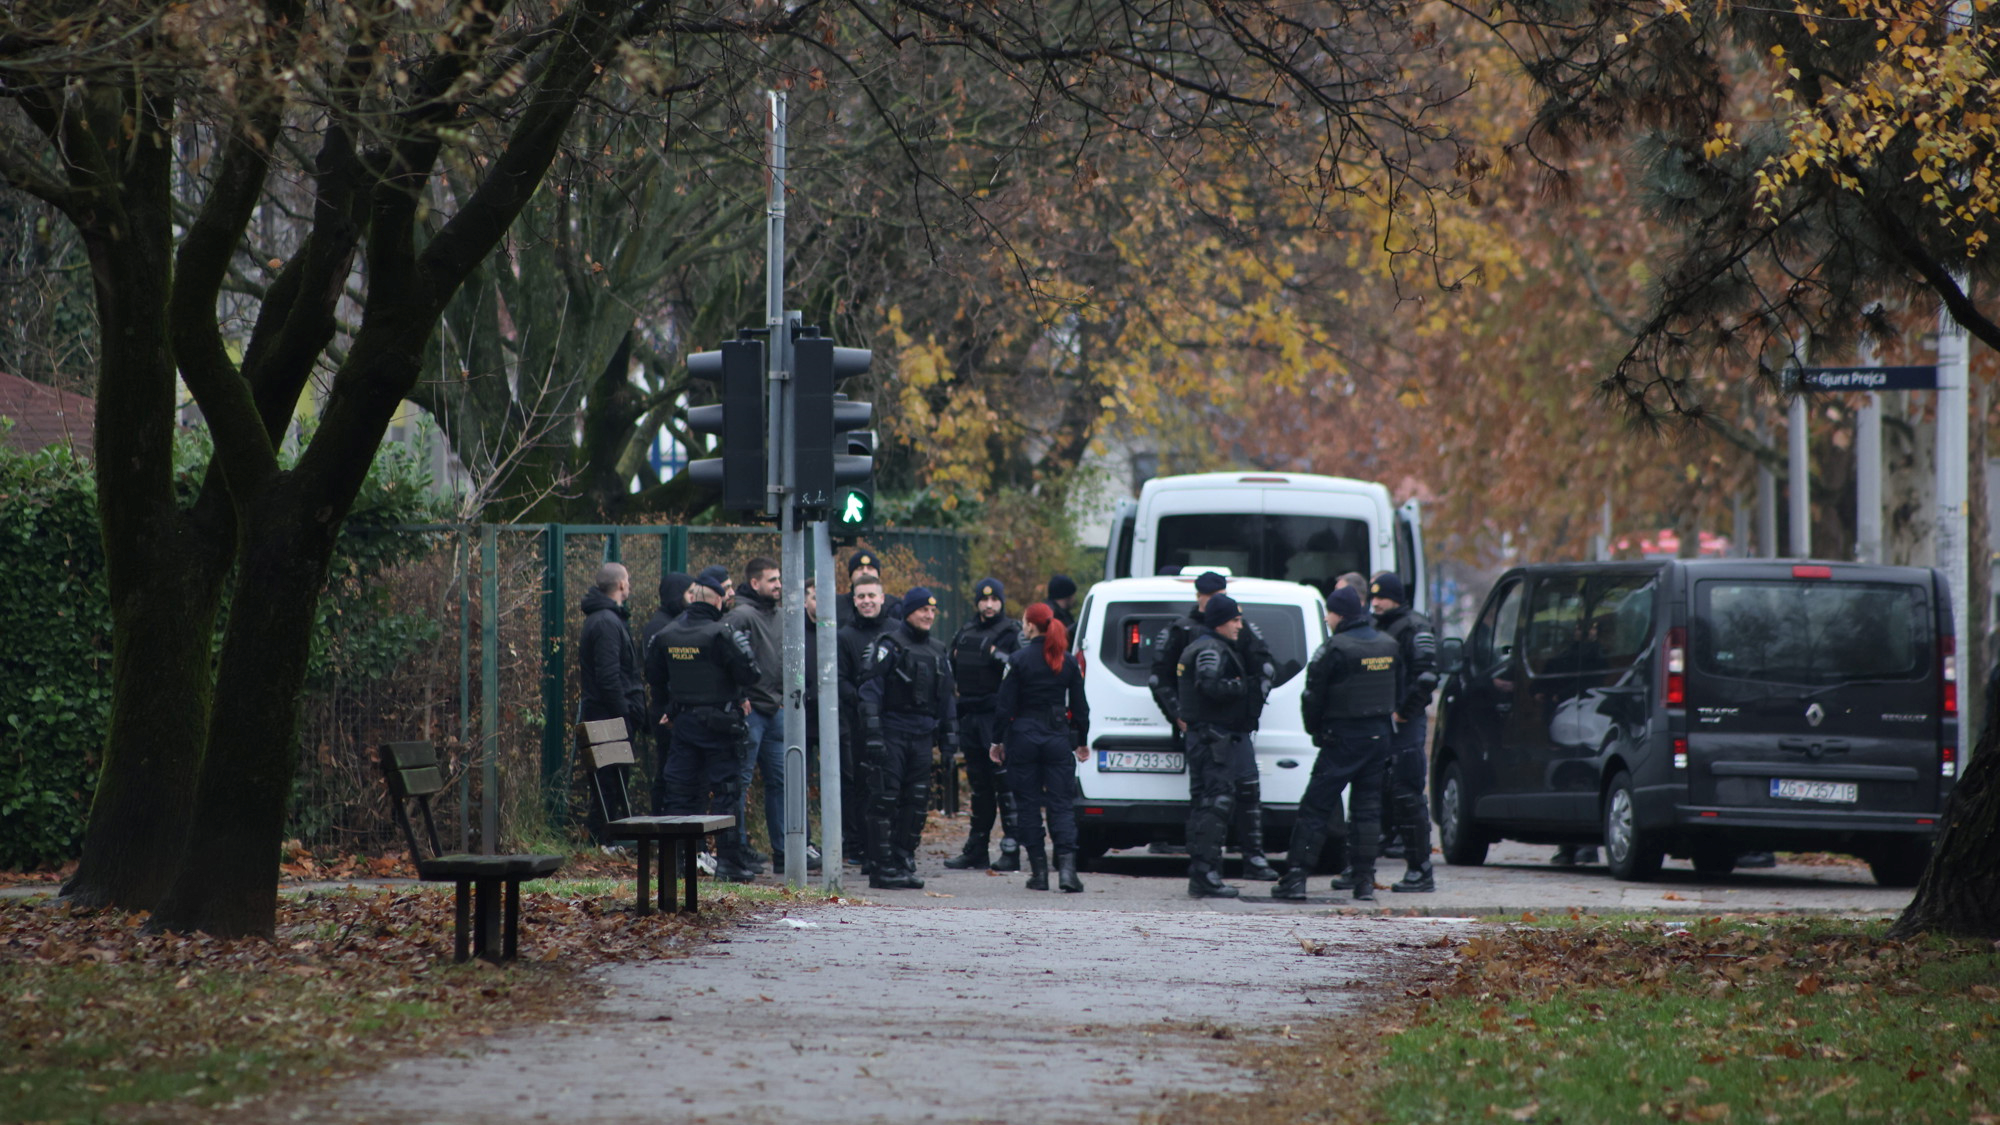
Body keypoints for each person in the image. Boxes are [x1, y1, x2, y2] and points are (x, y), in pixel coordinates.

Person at [1274, 585, 1402, 902]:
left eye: (1329, 614)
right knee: (1367, 812)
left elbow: (1312, 697)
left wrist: (1316, 732)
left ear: (1339, 614)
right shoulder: (1389, 644)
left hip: (1342, 739)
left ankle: (1296, 879)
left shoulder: (1334, 648)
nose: (1327, 619)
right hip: (1379, 738)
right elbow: (1400, 689)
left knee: (1315, 808)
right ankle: (1364, 882)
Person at [649, 566, 762, 880]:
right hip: (721, 725)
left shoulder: (666, 634)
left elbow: (654, 676)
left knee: (679, 794)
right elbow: (750, 673)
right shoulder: (722, 633)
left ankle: (676, 864)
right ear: (718, 600)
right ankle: (729, 863)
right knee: (726, 793)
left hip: (683, 724)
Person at [859, 588, 958, 889]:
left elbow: (946, 700)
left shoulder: (938, 651)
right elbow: (869, 692)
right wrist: (874, 735)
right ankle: (881, 866)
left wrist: (950, 739)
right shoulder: (889, 646)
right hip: (892, 733)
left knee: (916, 803)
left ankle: (902, 860)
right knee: (884, 800)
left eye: (932, 610)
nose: (929, 615)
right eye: (922, 610)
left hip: (922, 737)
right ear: (908, 612)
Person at [992, 602, 1089, 892]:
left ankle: (1039, 874)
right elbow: (1081, 708)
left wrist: (996, 741)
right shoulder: (1067, 661)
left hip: (1023, 738)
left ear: (1031, 626)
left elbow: (1004, 706)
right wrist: (1081, 741)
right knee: (1061, 805)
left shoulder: (1018, 660)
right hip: (1057, 739)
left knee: (1028, 805)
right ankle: (1068, 873)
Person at [1177, 593, 1265, 898]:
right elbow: (1208, 683)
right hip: (1212, 739)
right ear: (1219, 622)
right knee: (1216, 804)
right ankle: (1206, 874)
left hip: (1209, 738)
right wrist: (1242, 688)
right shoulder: (1211, 649)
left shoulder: (1210, 645)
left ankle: (1203, 873)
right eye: (1235, 620)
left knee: (1208, 805)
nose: (1240, 625)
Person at [945, 577, 1026, 871]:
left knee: (1005, 784)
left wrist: (995, 657)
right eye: (984, 599)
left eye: (994, 600)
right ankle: (976, 848)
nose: (989, 605)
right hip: (970, 715)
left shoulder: (1011, 632)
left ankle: (1011, 849)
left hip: (996, 717)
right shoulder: (965, 631)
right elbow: (949, 667)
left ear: (1001, 601)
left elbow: (1019, 667)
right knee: (979, 787)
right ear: (977, 601)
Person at [1370, 572, 1439, 893]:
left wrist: (1402, 712)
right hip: (1383, 725)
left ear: (1396, 597)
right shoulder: (1377, 626)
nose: (1376, 603)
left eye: (1381, 597)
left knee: (1408, 796)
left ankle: (1420, 871)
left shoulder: (1415, 627)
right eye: (1372, 597)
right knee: (1381, 793)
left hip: (1405, 726)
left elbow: (1426, 678)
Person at [723, 557, 786, 873]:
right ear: (755, 583)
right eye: (772, 580)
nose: (778, 585)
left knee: (781, 781)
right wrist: (740, 696)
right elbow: (727, 658)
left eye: (779, 579)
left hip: (776, 710)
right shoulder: (741, 615)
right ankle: (740, 848)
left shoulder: (779, 615)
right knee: (741, 782)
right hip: (752, 713)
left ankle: (784, 850)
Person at [577, 561, 647, 844]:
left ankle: (605, 840)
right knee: (608, 784)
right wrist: (625, 713)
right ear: (620, 584)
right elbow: (609, 677)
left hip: (608, 715)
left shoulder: (605, 619)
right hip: (609, 719)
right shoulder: (607, 622)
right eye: (627, 580)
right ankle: (601, 840)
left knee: (611, 783)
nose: (629, 585)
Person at [837, 573, 895, 869]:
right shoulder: (845, 636)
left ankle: (894, 847)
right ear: (854, 600)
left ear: (883, 597)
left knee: (894, 785)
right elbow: (840, 680)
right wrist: (863, 701)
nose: (867, 601)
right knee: (863, 786)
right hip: (859, 726)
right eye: (861, 596)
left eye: (872, 595)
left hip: (896, 723)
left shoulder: (897, 631)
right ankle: (862, 846)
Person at [641, 571, 694, 813]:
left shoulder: (675, 624)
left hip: (672, 708)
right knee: (668, 771)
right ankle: (662, 826)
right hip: (666, 710)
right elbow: (658, 673)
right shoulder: (660, 628)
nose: (693, 598)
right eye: (689, 593)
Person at [837, 549, 905, 627]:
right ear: (851, 575)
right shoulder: (836, 605)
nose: (865, 572)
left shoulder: (894, 606)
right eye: (859, 568)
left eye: (870, 568)